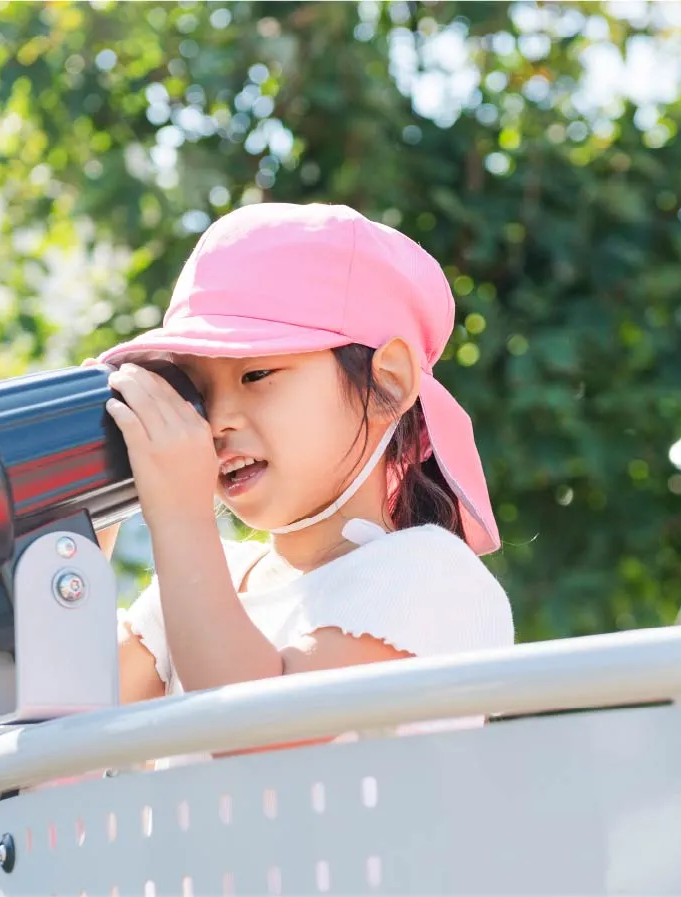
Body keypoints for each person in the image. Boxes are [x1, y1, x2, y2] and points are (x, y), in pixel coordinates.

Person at [87, 202, 515, 760]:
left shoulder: (430, 574)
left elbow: (261, 741)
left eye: (256, 373)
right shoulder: (208, 582)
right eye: (196, 392)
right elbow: (66, 726)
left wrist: (181, 518)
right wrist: (82, 528)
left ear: (388, 382)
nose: (217, 421)